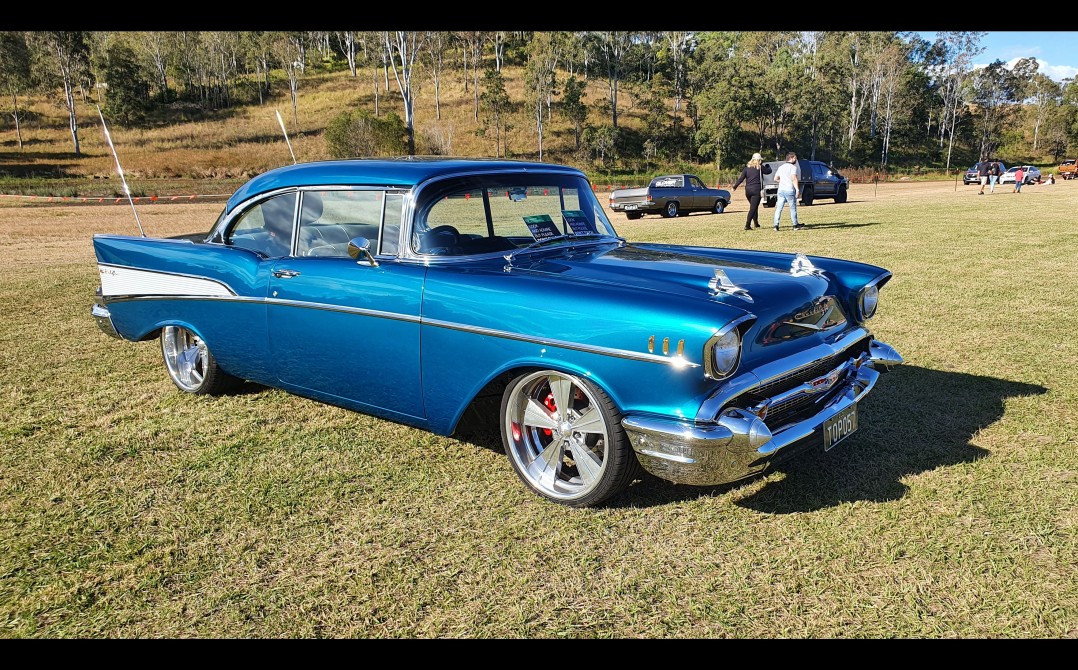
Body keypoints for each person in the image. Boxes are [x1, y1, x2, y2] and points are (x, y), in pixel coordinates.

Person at [732, 152, 772, 230]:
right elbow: (769, 171)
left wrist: (734, 187)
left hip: (748, 191)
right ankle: (747, 225)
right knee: (753, 208)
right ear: (759, 160)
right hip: (756, 190)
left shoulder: (746, 168)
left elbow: (741, 179)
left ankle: (756, 223)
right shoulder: (760, 167)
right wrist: (768, 166)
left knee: (754, 206)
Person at [773, 152, 803, 231]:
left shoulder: (781, 167)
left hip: (781, 190)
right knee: (792, 208)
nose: (796, 160)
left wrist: (782, 182)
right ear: (791, 158)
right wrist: (797, 189)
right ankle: (795, 225)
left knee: (779, 208)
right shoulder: (793, 167)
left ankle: (776, 225)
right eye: (795, 158)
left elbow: (775, 178)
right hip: (789, 190)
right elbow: (794, 178)